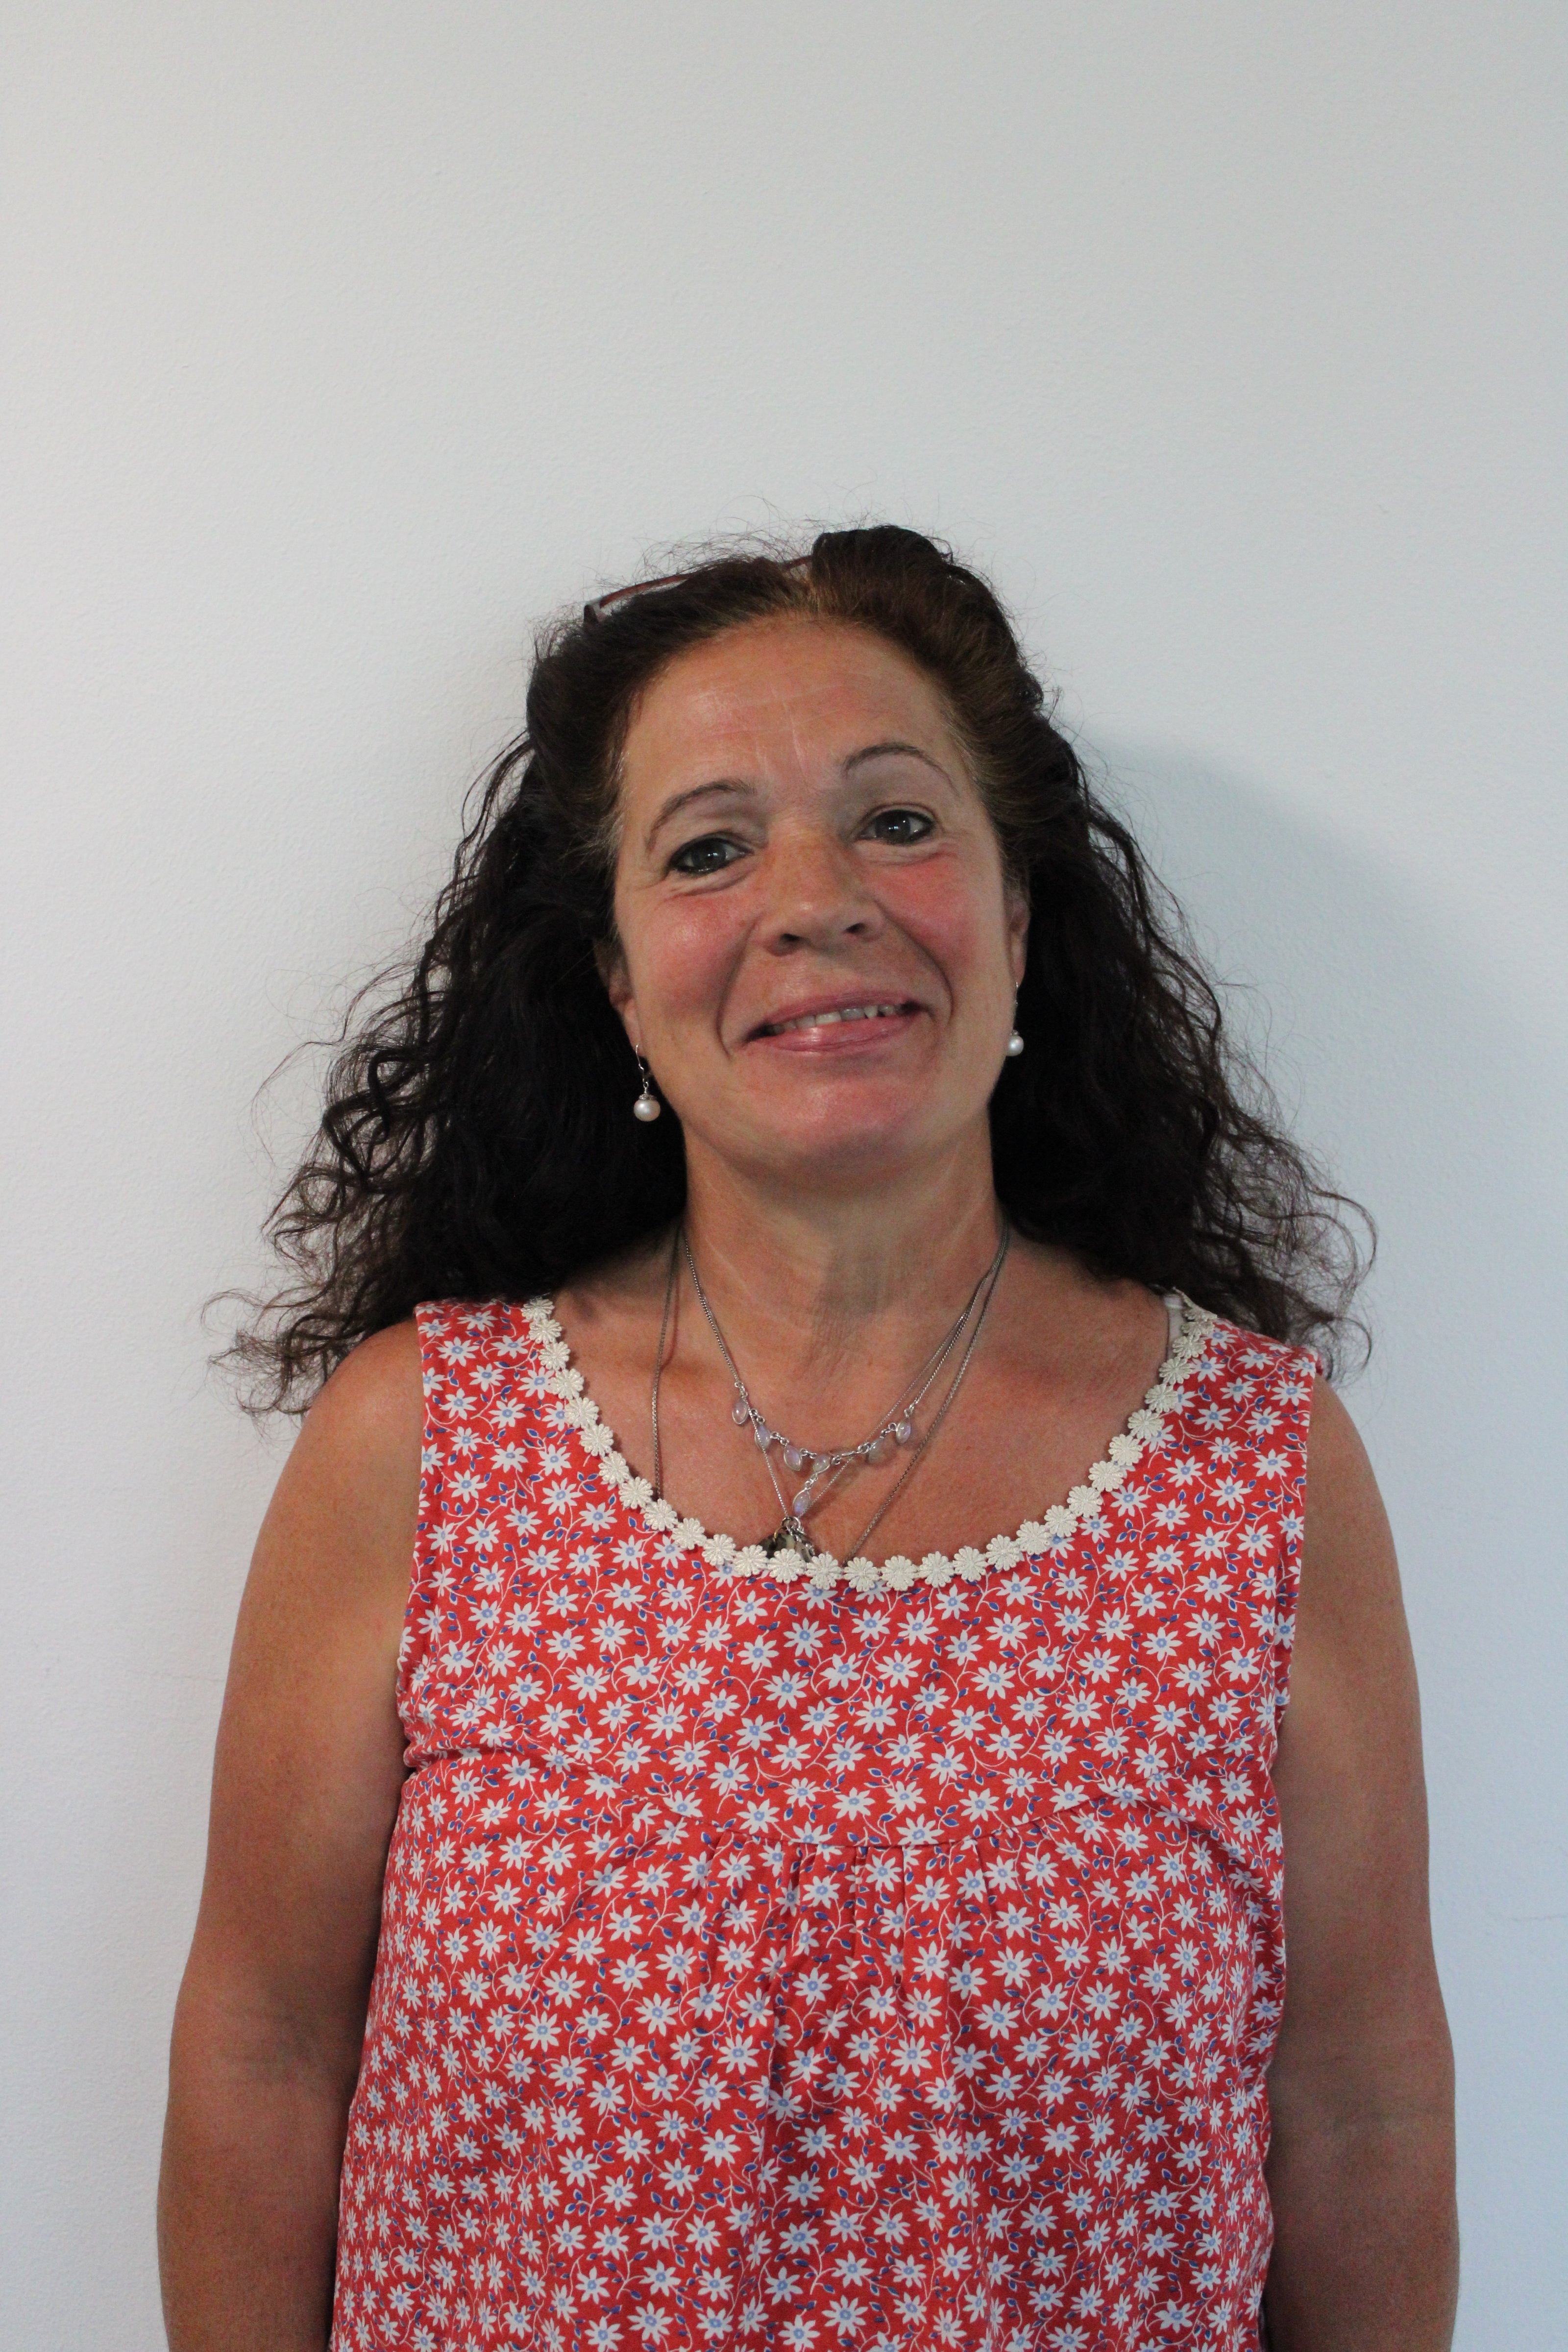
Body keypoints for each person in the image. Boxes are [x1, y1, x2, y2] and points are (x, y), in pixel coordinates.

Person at [158, 527, 1457, 2352]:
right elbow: (264, 2053)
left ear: (1020, 919)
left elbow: (1362, 2110)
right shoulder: (427, 1439)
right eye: (708, 847)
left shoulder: (1254, 1466)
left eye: (899, 823)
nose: (814, 897)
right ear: (617, 979)